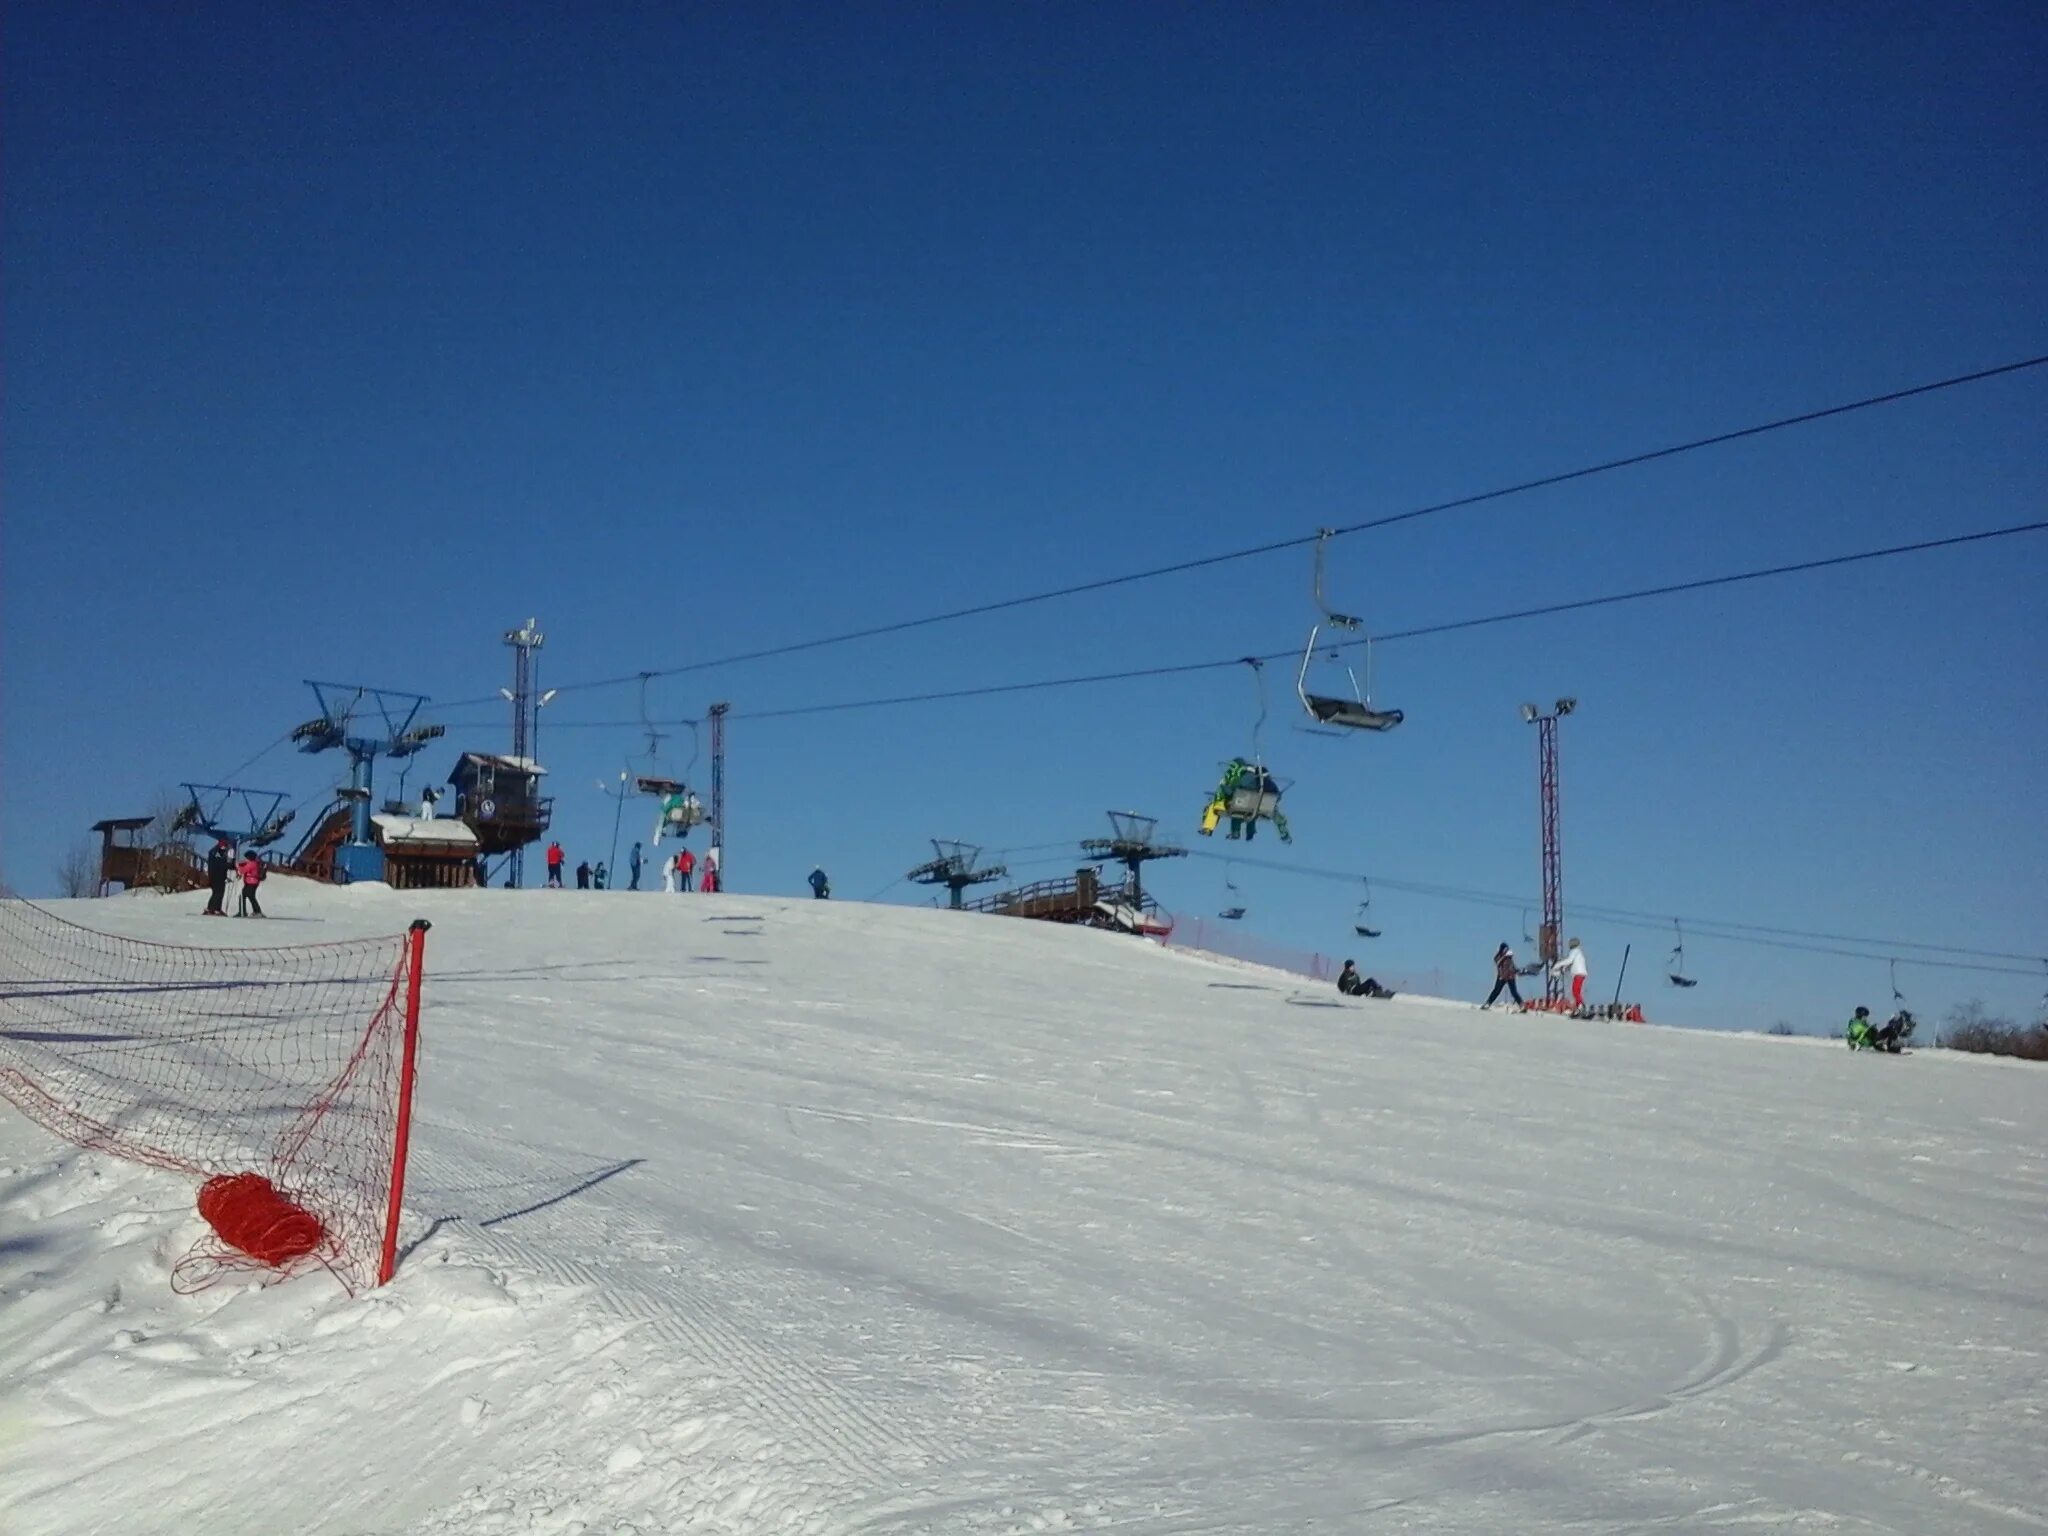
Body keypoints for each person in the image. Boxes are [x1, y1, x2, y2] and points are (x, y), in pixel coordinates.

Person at [1551, 937, 1589, 1009]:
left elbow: (1569, 961)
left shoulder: (1574, 951)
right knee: (1576, 990)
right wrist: (1564, 969)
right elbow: (1572, 964)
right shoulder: (1579, 952)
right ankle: (1579, 1005)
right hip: (1580, 973)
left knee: (1575, 990)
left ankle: (1580, 1005)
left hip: (1578, 973)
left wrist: (1558, 965)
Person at [1483, 943, 1524, 1008]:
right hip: (1502, 976)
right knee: (1496, 991)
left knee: (1514, 992)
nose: (1506, 950)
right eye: (1505, 949)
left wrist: (1517, 971)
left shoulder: (1509, 958)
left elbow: (1512, 967)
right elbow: (1497, 963)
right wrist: (1504, 957)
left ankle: (1521, 1005)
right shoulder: (1500, 957)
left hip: (1509, 976)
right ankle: (1488, 1003)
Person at [203, 837, 233, 916]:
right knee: (218, 892)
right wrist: (230, 864)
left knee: (218, 892)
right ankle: (213, 909)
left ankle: (215, 908)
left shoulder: (215, 851)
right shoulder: (216, 852)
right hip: (217, 875)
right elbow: (221, 864)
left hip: (217, 875)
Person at [235, 851, 265, 918]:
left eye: (246, 857)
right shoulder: (254, 863)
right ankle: (256, 911)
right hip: (252, 882)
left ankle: (245, 912)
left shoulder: (251, 864)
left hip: (251, 882)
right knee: (250, 896)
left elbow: (243, 870)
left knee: (244, 896)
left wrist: (237, 866)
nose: (245, 859)